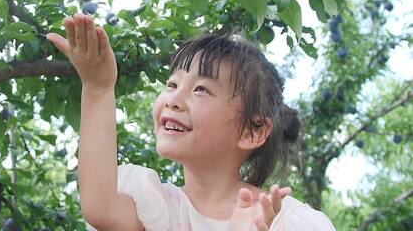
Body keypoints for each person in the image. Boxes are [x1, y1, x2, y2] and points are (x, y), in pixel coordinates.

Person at [46, 14, 337, 231]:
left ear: (252, 130)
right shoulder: (158, 210)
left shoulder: (288, 221)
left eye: (201, 89)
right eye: (172, 85)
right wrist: (98, 88)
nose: (173, 99)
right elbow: (99, 205)